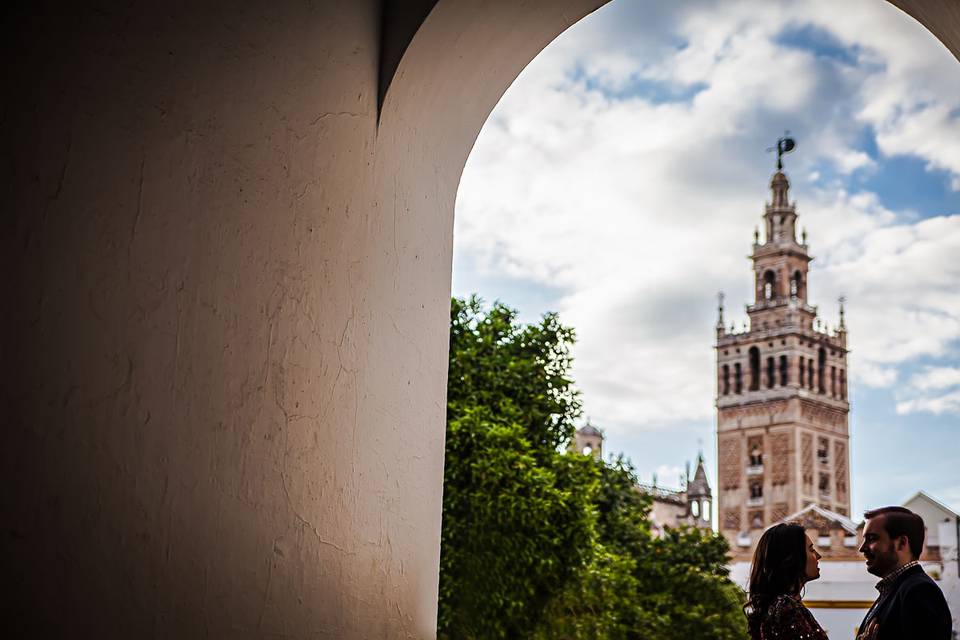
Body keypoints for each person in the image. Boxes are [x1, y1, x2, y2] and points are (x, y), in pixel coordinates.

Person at [856, 506, 952, 640]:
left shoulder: (919, 590)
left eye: (872, 538)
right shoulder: (898, 589)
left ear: (901, 543)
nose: (862, 548)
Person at [745, 522, 828, 640]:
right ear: (793, 557)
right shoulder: (786, 609)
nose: (818, 555)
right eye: (811, 550)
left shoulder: (781, 606)